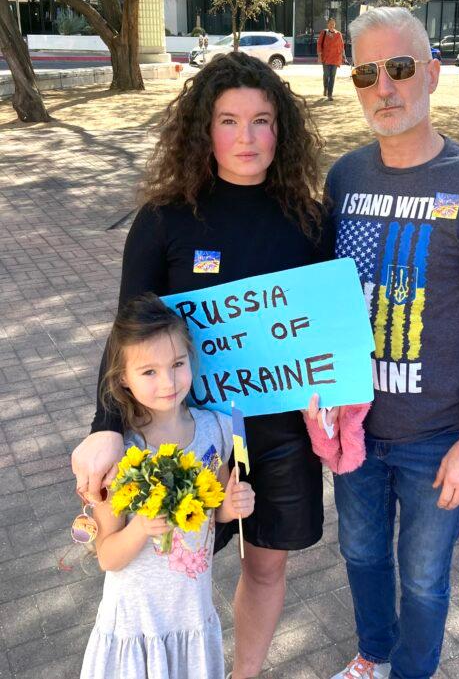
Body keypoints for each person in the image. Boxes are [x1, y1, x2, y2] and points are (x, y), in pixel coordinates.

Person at [71, 52, 333, 679]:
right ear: (203, 130)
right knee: (171, 565)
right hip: (187, 435)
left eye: (263, 120)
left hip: (281, 430)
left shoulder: (308, 219)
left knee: (267, 563)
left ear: (282, 130)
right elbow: (126, 333)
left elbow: (325, 329)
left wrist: (339, 395)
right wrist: (106, 425)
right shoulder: (164, 221)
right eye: (229, 120)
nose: (247, 137)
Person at [321, 6, 459, 679]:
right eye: (367, 72)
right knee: (360, 555)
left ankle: (412, 671)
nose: (385, 87)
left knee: (426, 579)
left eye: (401, 68)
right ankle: (373, 655)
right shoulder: (345, 178)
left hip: (438, 437)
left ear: (432, 73)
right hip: (353, 426)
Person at [79, 295, 255, 679]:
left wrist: (235, 505)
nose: (169, 382)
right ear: (123, 377)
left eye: (177, 364)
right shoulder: (119, 452)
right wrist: (141, 527)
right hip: (135, 623)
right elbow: (107, 556)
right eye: (149, 372)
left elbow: (217, 510)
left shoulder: (215, 430)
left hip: (191, 613)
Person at [317, 17, 346, 101]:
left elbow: (341, 46)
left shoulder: (338, 34)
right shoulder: (324, 32)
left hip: (335, 59)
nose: (331, 25)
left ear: (335, 24)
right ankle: (325, 88)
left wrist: (343, 56)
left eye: (333, 24)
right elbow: (319, 44)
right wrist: (319, 56)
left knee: (332, 76)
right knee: (326, 75)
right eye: (330, 24)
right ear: (327, 24)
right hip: (325, 58)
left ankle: (330, 94)